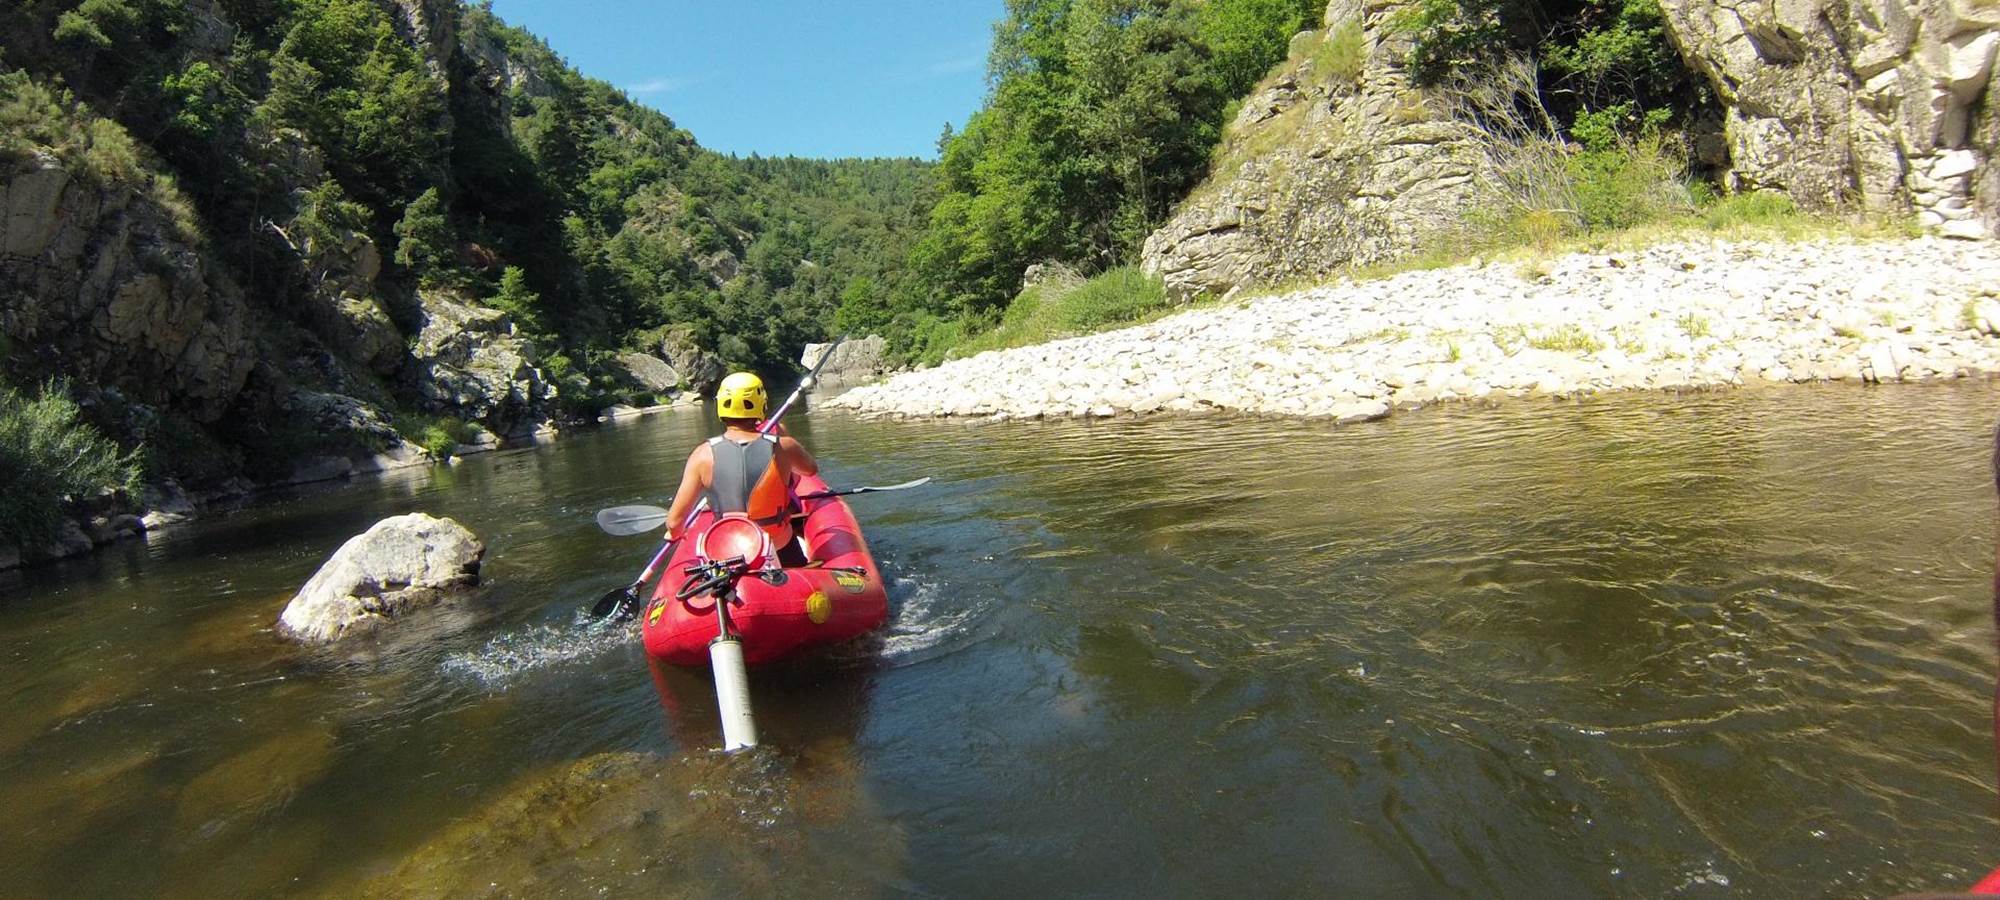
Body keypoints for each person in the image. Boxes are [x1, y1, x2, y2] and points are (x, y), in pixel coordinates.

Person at [664, 371, 818, 566]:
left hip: (728, 551)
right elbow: (810, 470)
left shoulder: (701, 455)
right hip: (778, 546)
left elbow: (675, 522)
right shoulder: (784, 446)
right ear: (761, 403)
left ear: (721, 405)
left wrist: (675, 532)